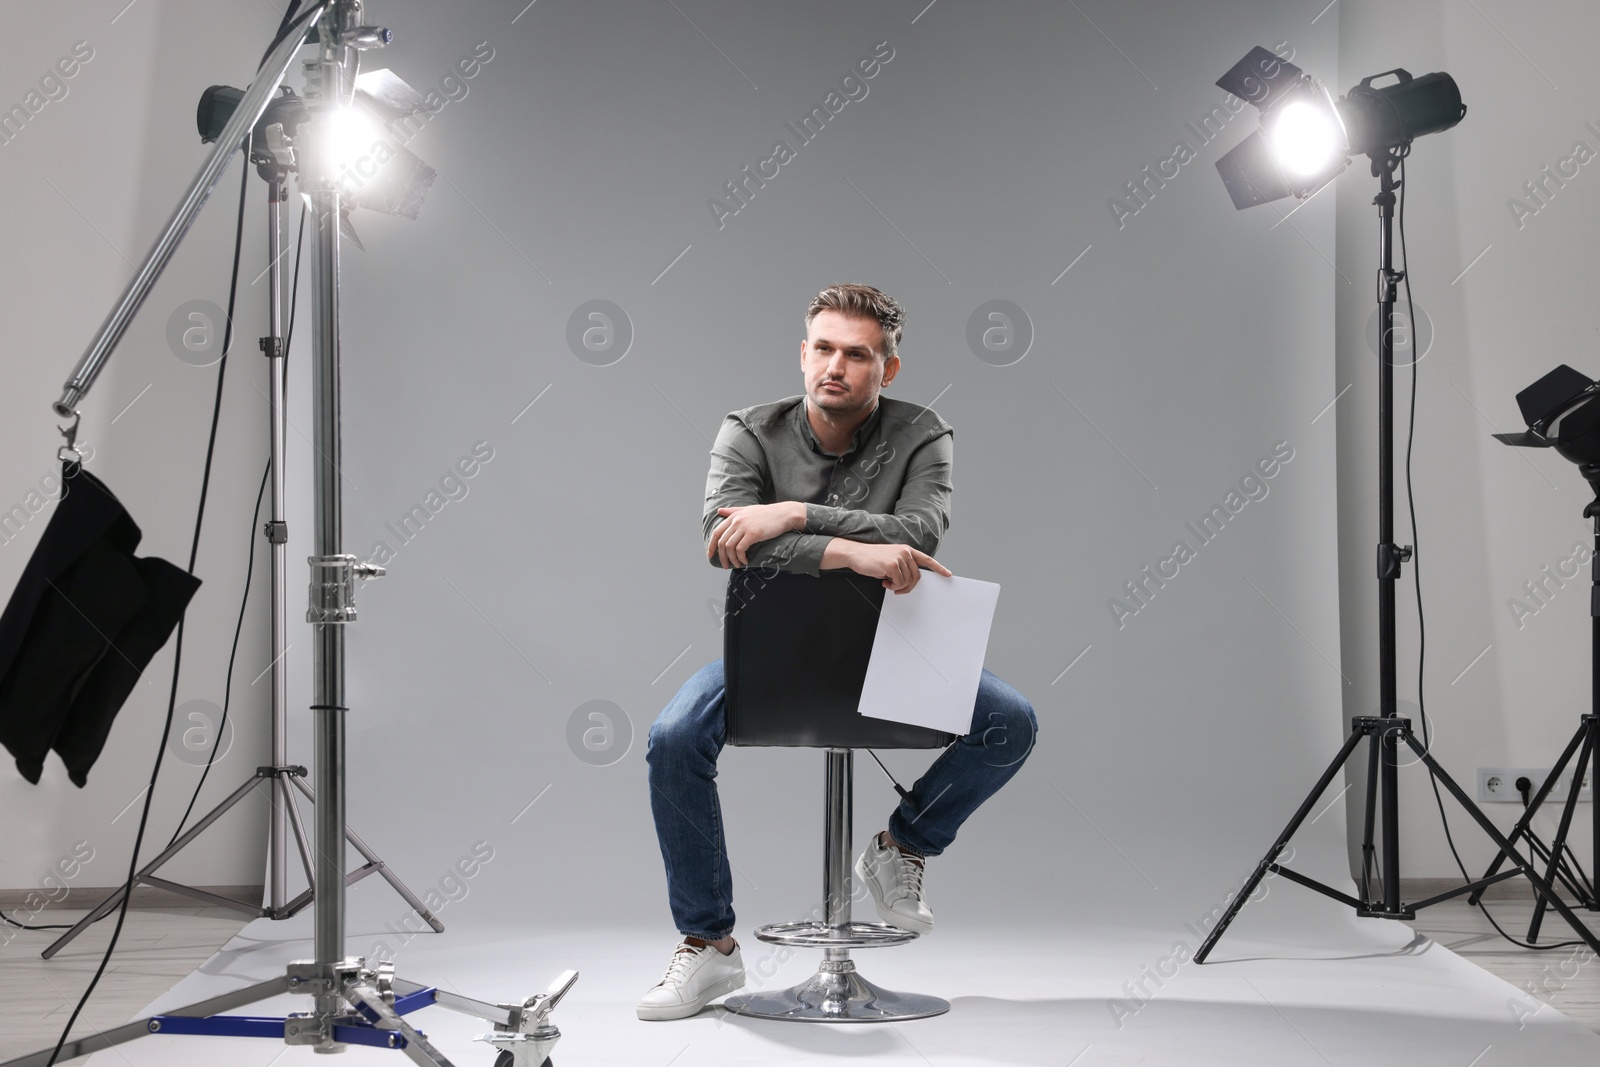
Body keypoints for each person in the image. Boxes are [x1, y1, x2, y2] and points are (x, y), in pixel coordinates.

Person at [637, 283, 1038, 1021]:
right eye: (823, 348)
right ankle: (708, 947)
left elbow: (918, 534)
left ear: (887, 368)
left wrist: (794, 514)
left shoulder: (923, 433)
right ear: (802, 352)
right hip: (771, 647)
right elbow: (726, 544)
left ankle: (903, 844)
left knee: (1010, 721)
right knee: (672, 737)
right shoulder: (748, 431)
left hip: (895, 645)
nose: (836, 366)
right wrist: (855, 552)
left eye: (858, 354)